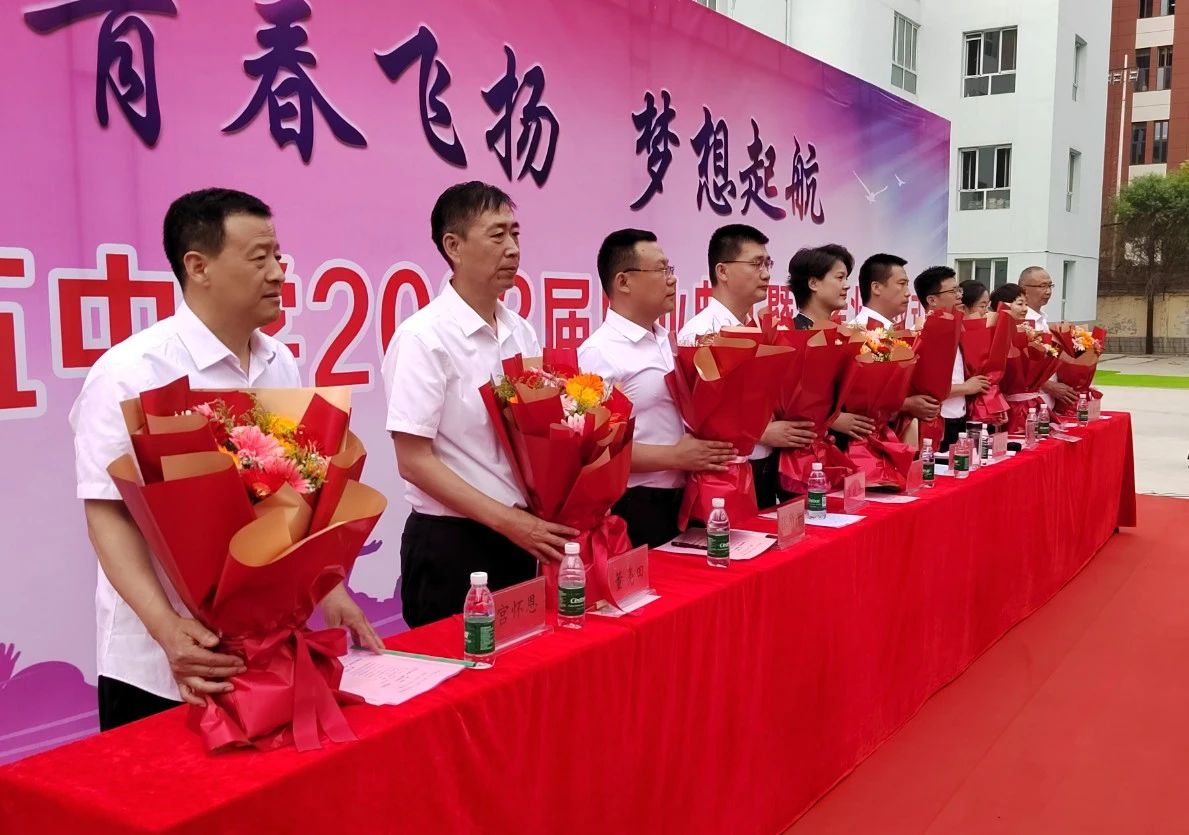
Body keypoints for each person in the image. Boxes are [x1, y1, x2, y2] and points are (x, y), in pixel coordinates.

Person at [69, 188, 380, 731]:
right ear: (199, 267)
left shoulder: (279, 362)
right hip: (164, 667)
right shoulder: (130, 372)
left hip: (265, 651)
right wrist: (166, 628)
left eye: (277, 255)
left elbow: (295, 501)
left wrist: (331, 592)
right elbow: (107, 514)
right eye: (259, 258)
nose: (277, 273)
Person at [382, 181, 579, 628]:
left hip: (519, 535)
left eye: (516, 233)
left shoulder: (521, 332)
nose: (513, 249)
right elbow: (413, 461)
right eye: (497, 235)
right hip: (453, 545)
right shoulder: (423, 337)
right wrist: (509, 522)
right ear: (453, 246)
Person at [579, 229, 736, 547]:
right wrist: (674, 456)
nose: (672, 279)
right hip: (636, 504)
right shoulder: (599, 353)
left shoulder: (667, 340)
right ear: (624, 282)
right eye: (661, 270)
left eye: (670, 269)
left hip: (685, 495)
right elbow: (593, 452)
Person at [676, 224, 813, 508]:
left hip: (764, 470)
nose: (766, 273)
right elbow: (694, 421)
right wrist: (763, 433)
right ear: (723, 271)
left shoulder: (760, 329)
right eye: (756, 263)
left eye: (767, 263)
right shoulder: (699, 334)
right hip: (722, 477)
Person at [787, 245, 874, 442]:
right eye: (839, 277)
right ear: (813, 283)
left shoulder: (847, 335)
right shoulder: (791, 336)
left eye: (846, 278)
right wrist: (831, 419)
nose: (847, 285)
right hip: (805, 447)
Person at [913, 266, 991, 450]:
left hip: (961, 418)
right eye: (953, 291)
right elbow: (925, 390)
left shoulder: (958, 331)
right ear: (932, 300)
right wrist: (966, 388)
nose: (959, 296)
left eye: (959, 290)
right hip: (936, 423)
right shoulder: (920, 336)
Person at [854, 252, 938, 423]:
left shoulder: (894, 332)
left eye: (907, 285)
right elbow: (859, 397)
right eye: (901, 284)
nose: (908, 293)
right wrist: (906, 404)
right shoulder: (858, 332)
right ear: (876, 287)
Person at [1019, 266, 1077, 409]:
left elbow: (1052, 357)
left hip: (1049, 402)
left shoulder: (1043, 320)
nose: (1048, 291)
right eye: (1042, 286)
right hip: (1028, 404)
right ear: (1024, 289)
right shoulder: (1021, 322)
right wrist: (1048, 385)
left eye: (1050, 286)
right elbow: (1018, 368)